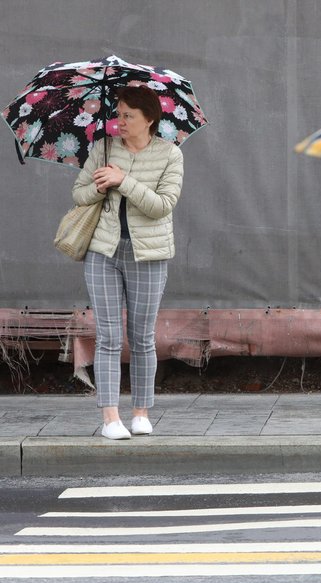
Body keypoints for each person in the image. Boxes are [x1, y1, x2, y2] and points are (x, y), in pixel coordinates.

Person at [72, 85, 184, 440]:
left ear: (149, 119)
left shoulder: (170, 155)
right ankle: (110, 419)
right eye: (118, 114)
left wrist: (124, 180)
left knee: (142, 337)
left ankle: (140, 413)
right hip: (102, 252)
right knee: (107, 336)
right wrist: (100, 186)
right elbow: (79, 193)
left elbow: (162, 205)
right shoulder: (103, 149)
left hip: (148, 255)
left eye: (128, 116)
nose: (119, 121)